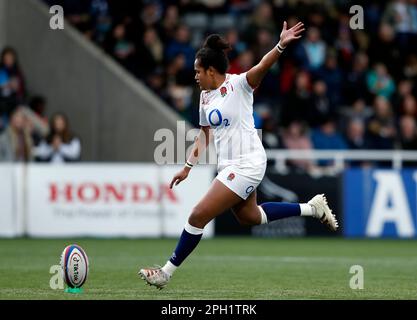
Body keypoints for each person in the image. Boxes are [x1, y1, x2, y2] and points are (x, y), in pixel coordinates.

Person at [139, 21, 338, 289]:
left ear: (211, 71)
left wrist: (280, 45)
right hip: (229, 165)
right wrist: (187, 167)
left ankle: (165, 273)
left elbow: (262, 66)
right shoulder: (205, 97)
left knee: (197, 216)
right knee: (249, 217)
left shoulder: (239, 85)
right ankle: (312, 208)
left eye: (198, 71)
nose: (195, 76)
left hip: (248, 162)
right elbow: (203, 134)